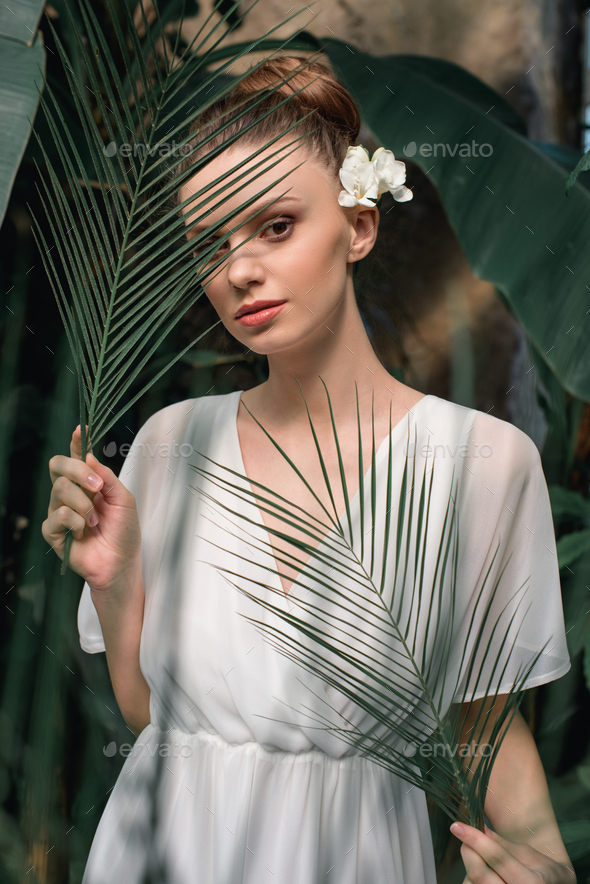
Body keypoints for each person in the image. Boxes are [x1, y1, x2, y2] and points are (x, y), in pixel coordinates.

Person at [42, 56, 575, 884]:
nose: (239, 270)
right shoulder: (168, 443)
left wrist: (547, 866)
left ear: (359, 224)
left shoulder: (483, 464)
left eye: (276, 225)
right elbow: (157, 720)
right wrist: (114, 583)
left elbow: (486, 733)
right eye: (209, 243)